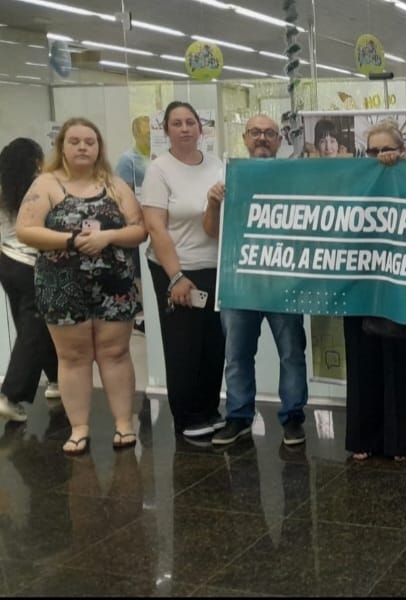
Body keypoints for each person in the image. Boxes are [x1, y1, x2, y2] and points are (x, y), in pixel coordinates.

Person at [15, 117, 146, 455]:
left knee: (116, 354)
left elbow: (138, 229)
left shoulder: (115, 185)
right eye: (75, 141)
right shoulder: (45, 184)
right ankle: (79, 429)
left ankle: (123, 425)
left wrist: (109, 236)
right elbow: (26, 230)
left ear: (99, 147)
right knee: (73, 357)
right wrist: (71, 241)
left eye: (90, 141)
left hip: (114, 286)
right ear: (62, 147)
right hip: (61, 286)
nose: (83, 146)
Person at [202, 115, 309, 447]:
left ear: (280, 141)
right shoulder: (225, 175)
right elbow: (211, 232)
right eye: (256, 133)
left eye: (270, 133)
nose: (262, 138)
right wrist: (213, 202)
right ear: (245, 139)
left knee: (291, 352)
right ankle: (238, 416)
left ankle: (292, 417)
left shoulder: (295, 176)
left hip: (284, 280)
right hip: (240, 280)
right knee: (236, 354)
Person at [343, 120, 406, 462]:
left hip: (405, 287)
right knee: (363, 363)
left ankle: (402, 443)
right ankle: (363, 438)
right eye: (373, 150)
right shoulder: (356, 184)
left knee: (404, 365)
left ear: (402, 151)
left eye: (387, 149)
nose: (380, 156)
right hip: (361, 285)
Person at [141, 101, 226, 439]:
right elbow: (156, 228)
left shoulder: (218, 165)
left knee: (213, 344)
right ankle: (187, 416)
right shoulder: (159, 170)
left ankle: (208, 408)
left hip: (214, 267)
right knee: (184, 344)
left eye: (191, 122)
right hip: (175, 268)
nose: (185, 129)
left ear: (201, 128)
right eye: (177, 124)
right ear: (166, 131)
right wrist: (176, 276)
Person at [0, 138, 59, 421]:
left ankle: (57, 380)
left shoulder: (4, 187)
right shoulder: (39, 186)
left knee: (34, 324)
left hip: (6, 261)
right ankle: (10, 395)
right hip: (32, 263)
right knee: (33, 330)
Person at [114, 115, 151, 335]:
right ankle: (142, 315)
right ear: (136, 134)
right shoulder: (128, 160)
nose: (149, 137)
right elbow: (124, 193)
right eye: (145, 133)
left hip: (156, 220)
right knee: (139, 271)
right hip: (138, 221)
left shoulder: (156, 156)